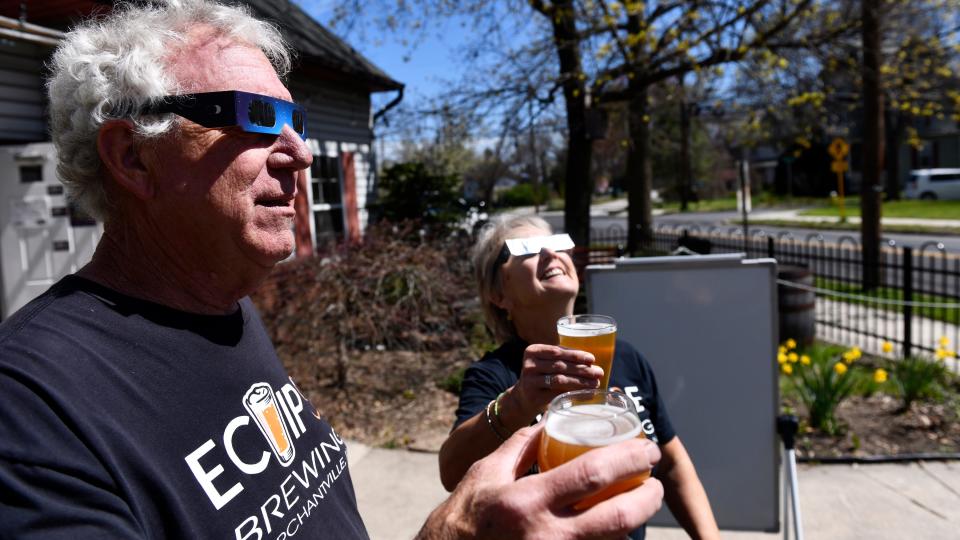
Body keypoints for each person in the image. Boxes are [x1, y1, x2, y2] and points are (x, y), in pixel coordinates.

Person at [0, 1, 665, 538]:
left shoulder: (228, 312)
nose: (302, 153)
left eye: (298, 120)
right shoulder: (33, 409)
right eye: (259, 118)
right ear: (133, 158)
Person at [439, 215, 720, 540]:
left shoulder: (627, 357)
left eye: (558, 243)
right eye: (527, 249)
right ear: (499, 294)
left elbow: (672, 466)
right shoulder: (493, 375)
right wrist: (518, 403)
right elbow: (451, 473)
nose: (549, 253)